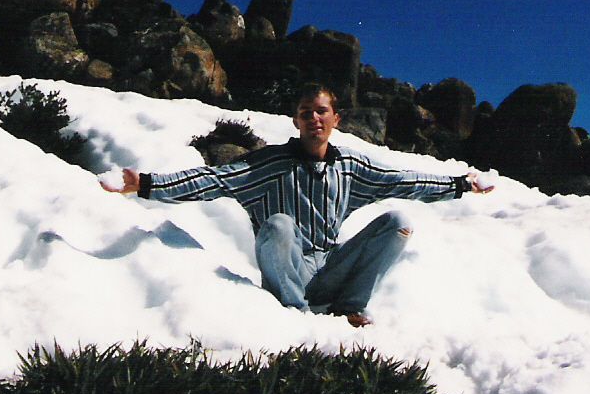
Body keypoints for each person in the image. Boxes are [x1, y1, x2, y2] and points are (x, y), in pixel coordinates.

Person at [102, 83, 493, 326]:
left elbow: (402, 181)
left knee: (397, 222)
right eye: (306, 113)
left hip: (330, 266)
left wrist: (460, 184)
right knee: (278, 225)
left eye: (321, 112)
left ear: (335, 119)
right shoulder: (269, 164)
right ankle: (296, 316)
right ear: (296, 121)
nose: (314, 119)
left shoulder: (351, 167)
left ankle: (349, 308)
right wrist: (148, 185)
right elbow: (215, 180)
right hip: (289, 269)